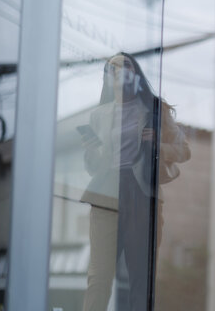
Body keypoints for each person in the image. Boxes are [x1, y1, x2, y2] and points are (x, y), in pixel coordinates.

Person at [80, 52, 190, 310]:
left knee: (141, 275)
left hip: (141, 193)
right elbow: (94, 167)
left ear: (135, 73)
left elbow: (184, 150)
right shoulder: (99, 116)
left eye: (125, 65)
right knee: (98, 276)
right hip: (106, 192)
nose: (119, 71)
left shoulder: (154, 109)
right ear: (107, 78)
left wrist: (157, 147)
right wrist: (90, 150)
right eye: (112, 68)